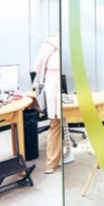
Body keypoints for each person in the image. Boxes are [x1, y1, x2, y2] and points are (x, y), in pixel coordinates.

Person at [33, 33, 61, 174]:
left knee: (55, 124)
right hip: (63, 84)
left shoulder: (48, 44)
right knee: (59, 122)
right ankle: (57, 158)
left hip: (52, 82)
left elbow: (37, 66)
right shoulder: (70, 43)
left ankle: (51, 163)